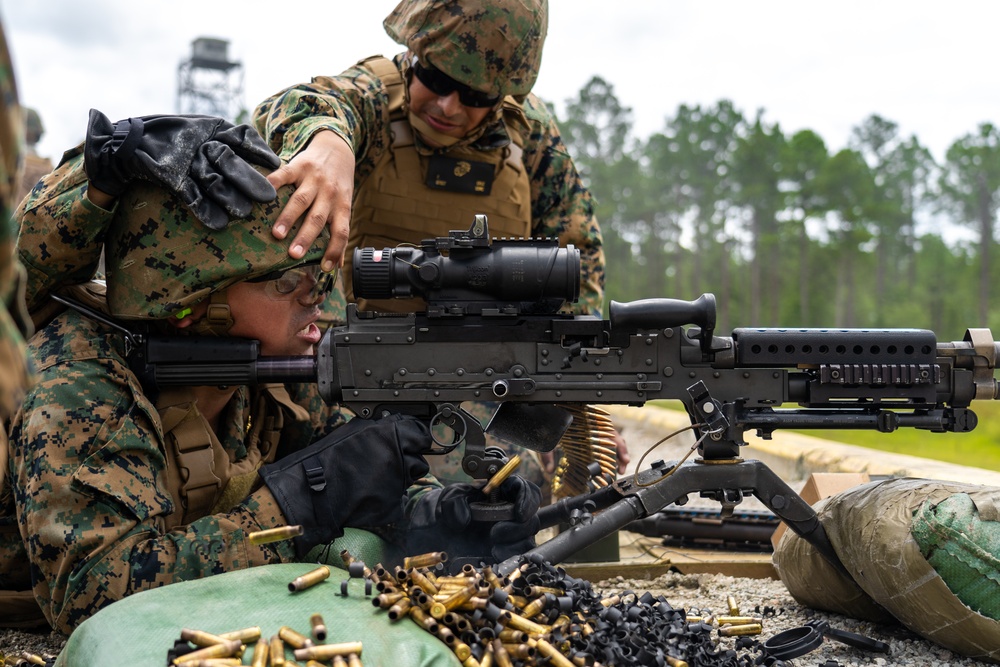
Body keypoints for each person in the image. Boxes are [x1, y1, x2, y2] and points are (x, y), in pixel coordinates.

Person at [1, 110, 539, 633]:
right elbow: (94, 598)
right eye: (288, 285)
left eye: (320, 279)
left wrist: (443, 513)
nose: (317, 303)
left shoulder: (277, 366)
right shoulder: (78, 378)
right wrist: (299, 501)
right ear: (189, 301)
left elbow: (358, 483)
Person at [252, 0, 628, 493]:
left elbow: (578, 259)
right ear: (413, 50)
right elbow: (298, 104)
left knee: (519, 489)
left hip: (484, 376)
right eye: (435, 77)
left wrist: (575, 400)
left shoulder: (529, 136)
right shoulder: (372, 95)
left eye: (473, 93)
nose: (449, 105)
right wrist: (328, 142)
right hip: (355, 372)